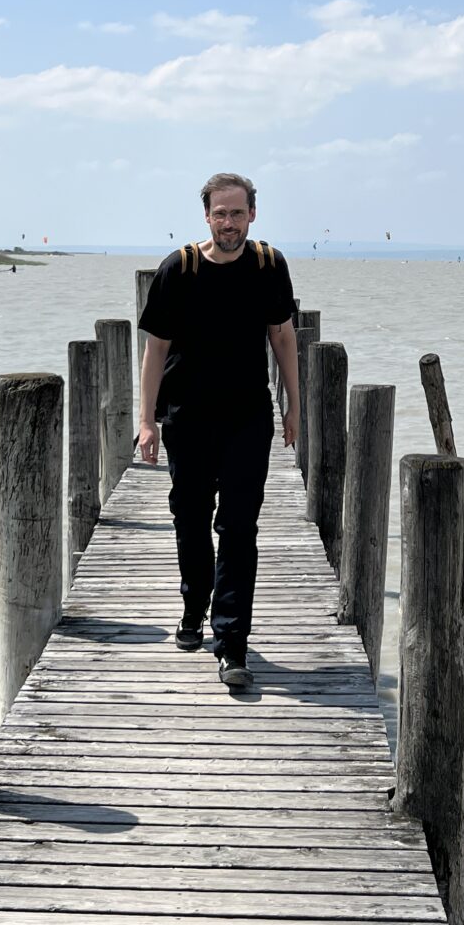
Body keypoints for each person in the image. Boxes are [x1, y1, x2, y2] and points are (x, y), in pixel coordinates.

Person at [138, 172, 298, 688]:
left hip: (249, 416)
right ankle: (193, 606)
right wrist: (146, 421)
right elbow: (155, 350)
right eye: (220, 213)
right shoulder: (178, 270)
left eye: (237, 212)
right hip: (187, 416)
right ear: (206, 216)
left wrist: (295, 405)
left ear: (253, 213)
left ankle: (232, 642)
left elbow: (282, 337)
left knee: (238, 529)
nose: (229, 222)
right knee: (190, 517)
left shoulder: (269, 265)